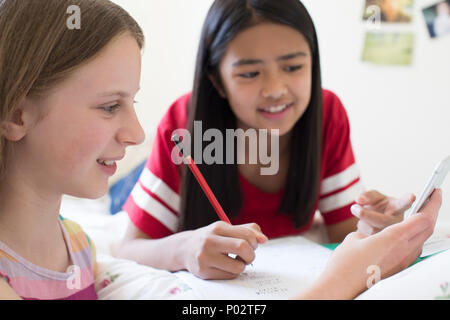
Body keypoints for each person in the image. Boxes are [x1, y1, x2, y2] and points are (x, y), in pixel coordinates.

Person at [117, 0, 422, 282]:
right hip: (158, 183)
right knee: (119, 198)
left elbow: (344, 235)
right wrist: (183, 250)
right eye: (250, 73)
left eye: (293, 67)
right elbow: (128, 248)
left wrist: (377, 227)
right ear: (217, 81)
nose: (275, 89)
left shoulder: (327, 114)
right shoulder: (184, 126)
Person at [0, 0, 145, 299]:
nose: (137, 134)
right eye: (110, 106)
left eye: (133, 103)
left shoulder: (79, 246)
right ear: (16, 115)